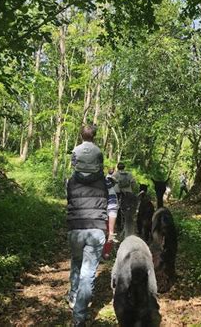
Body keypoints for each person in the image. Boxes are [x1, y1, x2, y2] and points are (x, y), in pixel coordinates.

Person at [66, 125, 118, 327]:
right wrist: (111, 232)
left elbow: (69, 203)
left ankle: (72, 296)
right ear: (99, 161)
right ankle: (79, 316)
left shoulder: (69, 181)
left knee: (76, 261)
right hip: (96, 228)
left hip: (75, 228)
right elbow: (113, 207)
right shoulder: (107, 182)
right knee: (88, 272)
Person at [113, 162, 138, 237]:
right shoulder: (129, 174)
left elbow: (112, 182)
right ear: (124, 167)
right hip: (128, 193)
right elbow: (133, 182)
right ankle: (127, 223)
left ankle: (118, 225)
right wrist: (132, 190)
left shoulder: (115, 174)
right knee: (127, 209)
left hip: (118, 193)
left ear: (118, 167)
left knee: (117, 208)